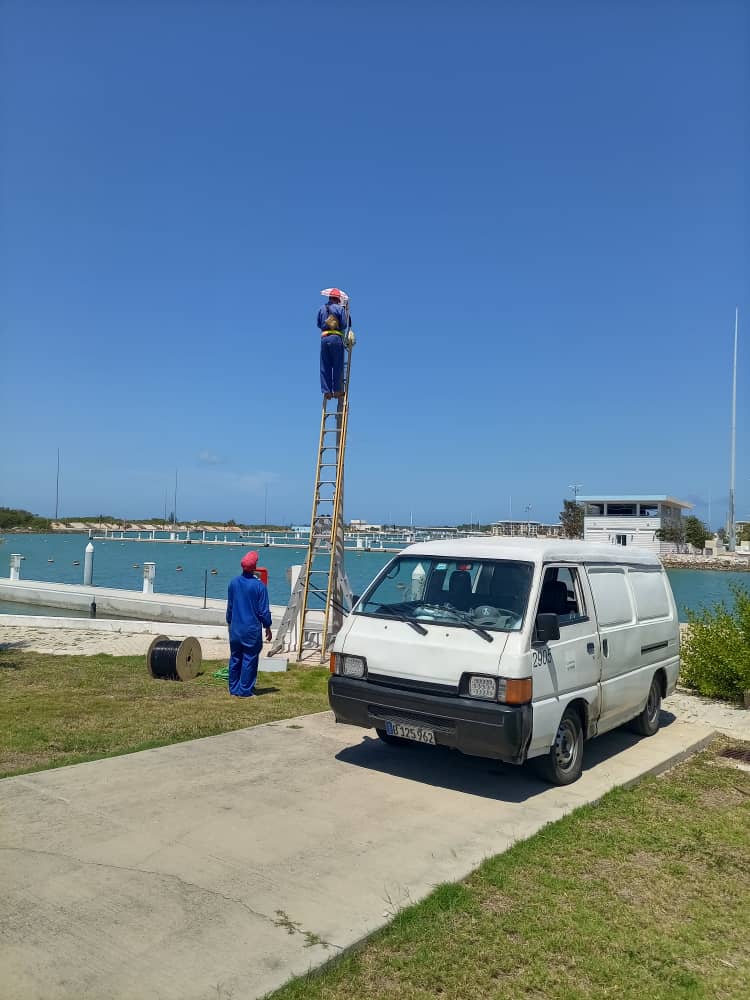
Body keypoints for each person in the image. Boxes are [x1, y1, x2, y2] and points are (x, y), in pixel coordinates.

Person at [226, 551, 272, 697]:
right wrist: (268, 626)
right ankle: (245, 690)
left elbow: (230, 607)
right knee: (249, 658)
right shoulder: (259, 587)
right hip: (251, 629)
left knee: (235, 657)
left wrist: (229, 622)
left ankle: (233, 688)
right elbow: (263, 611)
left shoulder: (233, 583)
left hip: (235, 628)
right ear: (255, 566)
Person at [317, 289, 351, 399]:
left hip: (324, 338)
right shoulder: (339, 309)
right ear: (338, 299)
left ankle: (326, 391)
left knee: (325, 365)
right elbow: (344, 325)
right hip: (336, 338)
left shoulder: (321, 308)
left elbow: (318, 324)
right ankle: (337, 391)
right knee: (337, 365)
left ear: (329, 297)